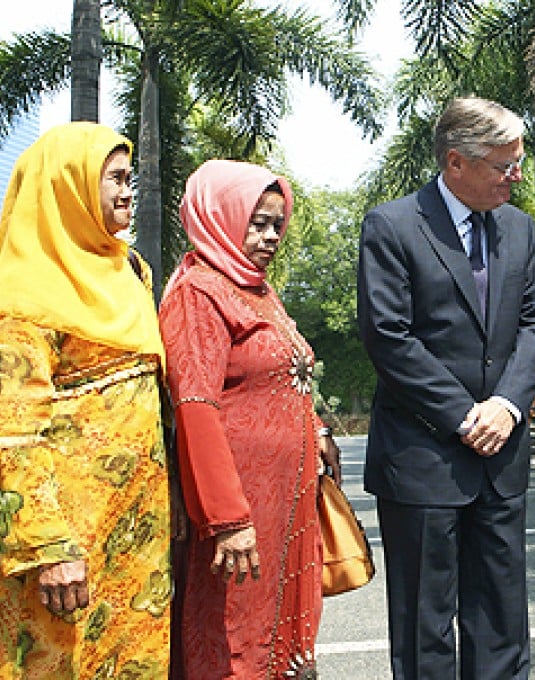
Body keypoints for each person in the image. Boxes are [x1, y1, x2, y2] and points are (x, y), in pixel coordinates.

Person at [357, 96, 535, 679]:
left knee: (501, 623)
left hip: (501, 456)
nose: (515, 177)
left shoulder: (520, 228)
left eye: (518, 162)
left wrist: (508, 406)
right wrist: (466, 416)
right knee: (425, 628)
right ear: (455, 163)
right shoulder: (391, 225)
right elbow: (389, 337)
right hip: (423, 459)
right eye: (504, 165)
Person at [0, 123, 170, 676]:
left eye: (130, 178)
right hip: (66, 549)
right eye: (115, 179)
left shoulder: (132, 272)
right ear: (67, 186)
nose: (128, 191)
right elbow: (14, 434)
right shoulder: (20, 291)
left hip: (138, 541)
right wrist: (49, 548)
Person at [160, 159, 341, 678]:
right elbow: (195, 408)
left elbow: (281, 374)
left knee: (279, 636)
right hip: (240, 512)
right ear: (220, 215)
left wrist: (320, 429)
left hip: (284, 504)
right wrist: (227, 520)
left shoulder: (255, 287)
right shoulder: (199, 292)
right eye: (256, 223)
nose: (269, 237)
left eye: (275, 225)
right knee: (236, 639)